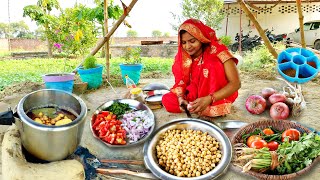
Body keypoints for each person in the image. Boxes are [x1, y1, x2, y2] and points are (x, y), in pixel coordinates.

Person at [162, 19, 241, 117]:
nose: (187, 46)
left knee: (212, 64)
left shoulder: (220, 53)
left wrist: (209, 98)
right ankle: (194, 107)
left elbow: (236, 84)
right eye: (183, 42)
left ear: (201, 38)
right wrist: (181, 98)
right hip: (195, 95)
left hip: (216, 96)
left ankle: (207, 107)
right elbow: (181, 82)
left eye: (192, 41)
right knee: (167, 99)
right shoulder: (184, 58)